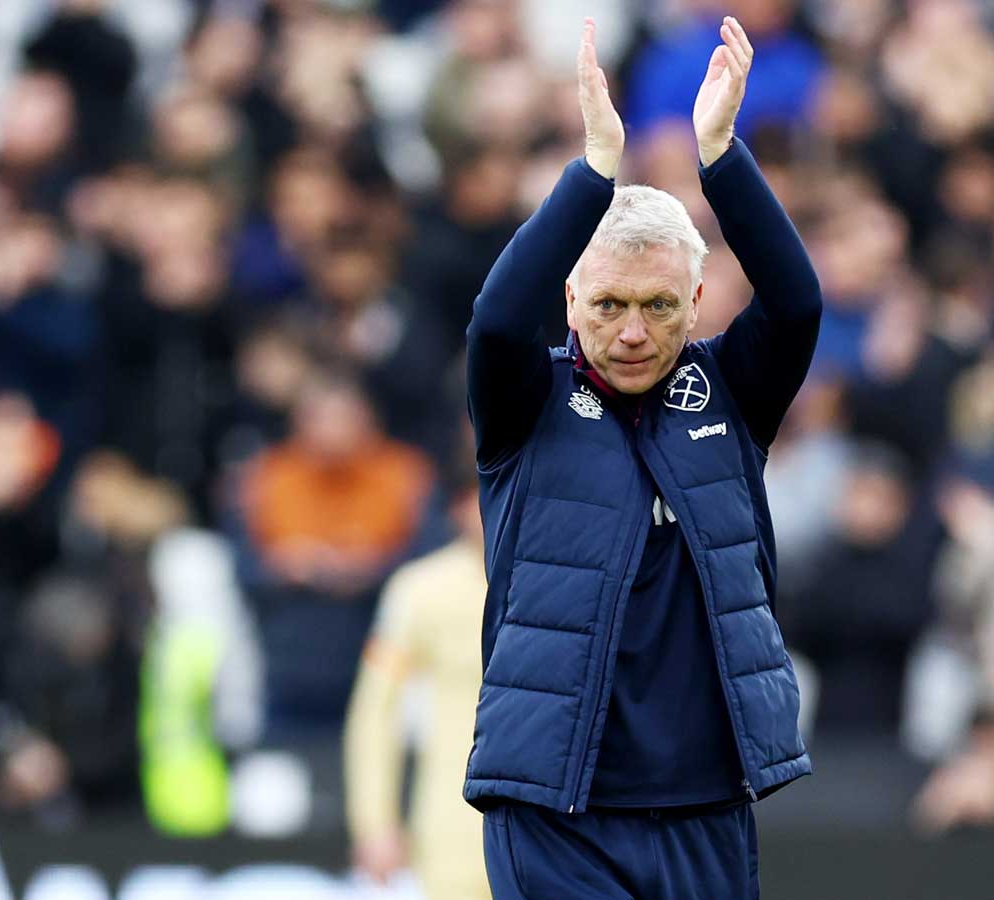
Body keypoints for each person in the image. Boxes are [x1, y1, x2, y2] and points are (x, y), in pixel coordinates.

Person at [463, 16, 820, 898]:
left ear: (698, 300)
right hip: (555, 809)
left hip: (704, 806)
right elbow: (498, 318)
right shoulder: (525, 401)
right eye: (610, 303)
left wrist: (721, 156)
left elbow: (799, 301)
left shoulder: (730, 392)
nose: (632, 332)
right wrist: (594, 169)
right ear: (572, 296)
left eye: (660, 306)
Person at [345, 477, 489, 900]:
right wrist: (374, 823)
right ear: (457, 509)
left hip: (558, 821)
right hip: (451, 825)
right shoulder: (420, 590)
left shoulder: (571, 580)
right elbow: (376, 713)